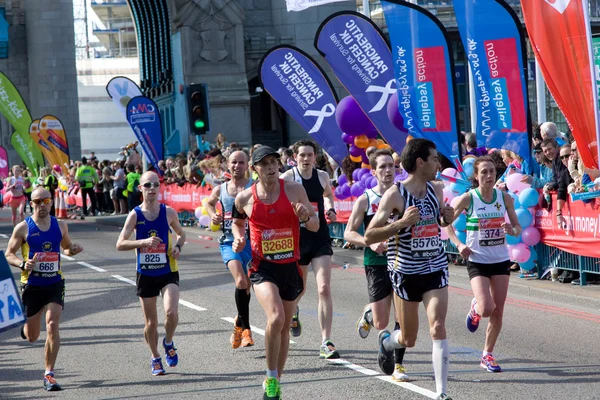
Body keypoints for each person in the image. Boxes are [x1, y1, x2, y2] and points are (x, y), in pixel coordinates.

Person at [364, 138, 454, 400]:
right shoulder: (395, 194)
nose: (439, 163)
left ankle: (441, 392)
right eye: (435, 159)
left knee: (438, 326)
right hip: (405, 272)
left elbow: (437, 221)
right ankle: (386, 342)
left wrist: (446, 218)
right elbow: (370, 236)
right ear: (420, 162)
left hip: (435, 267)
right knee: (408, 339)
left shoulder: (436, 189)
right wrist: (400, 223)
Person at [232, 146, 317, 400]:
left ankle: (275, 380)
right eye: (264, 163)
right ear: (254, 169)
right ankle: (270, 377)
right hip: (262, 267)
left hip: (290, 266)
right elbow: (237, 223)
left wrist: (304, 217)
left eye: (274, 162)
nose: (270, 166)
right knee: (277, 316)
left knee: (282, 329)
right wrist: (238, 239)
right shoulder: (244, 198)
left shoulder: (293, 189)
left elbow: (315, 225)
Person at [445, 156, 521, 373]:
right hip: (477, 260)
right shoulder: (468, 198)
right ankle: (475, 308)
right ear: (476, 176)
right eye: (484, 172)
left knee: (498, 311)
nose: (489, 176)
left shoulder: (504, 197)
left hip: (500, 260)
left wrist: (512, 229)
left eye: (492, 172)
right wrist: (459, 244)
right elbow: (446, 223)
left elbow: (517, 227)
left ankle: (487, 354)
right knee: (487, 308)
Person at [5, 187, 83, 391]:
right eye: (37, 201)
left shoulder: (61, 225)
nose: (42, 205)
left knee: (51, 324)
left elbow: (66, 248)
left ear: (51, 202)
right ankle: (25, 329)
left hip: (54, 282)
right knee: (32, 336)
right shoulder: (23, 228)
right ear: (32, 204)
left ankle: (49, 374)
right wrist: (23, 264)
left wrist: (72, 250)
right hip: (32, 285)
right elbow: (9, 254)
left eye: (46, 200)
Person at [344, 149, 409, 382]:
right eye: (382, 167)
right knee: (382, 322)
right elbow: (349, 232)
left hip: (403, 260)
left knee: (403, 316)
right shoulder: (366, 199)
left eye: (391, 166)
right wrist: (369, 243)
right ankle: (370, 314)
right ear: (373, 172)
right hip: (377, 262)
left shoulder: (404, 195)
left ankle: (399, 365)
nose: (388, 170)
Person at [116, 171, 186, 376]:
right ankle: (155, 357)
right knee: (151, 323)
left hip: (168, 270)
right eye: (147, 185)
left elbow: (181, 234)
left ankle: (168, 341)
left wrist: (178, 248)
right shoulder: (135, 215)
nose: (152, 188)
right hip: (145, 273)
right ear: (140, 189)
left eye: (155, 184)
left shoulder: (168, 212)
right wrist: (143, 242)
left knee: (171, 313)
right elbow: (120, 244)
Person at [280, 140, 339, 359]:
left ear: (315, 157)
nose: (306, 159)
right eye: (302, 155)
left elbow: (328, 195)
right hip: (297, 239)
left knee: (324, 288)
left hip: (320, 237)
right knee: (300, 289)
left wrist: (330, 209)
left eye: (310, 155)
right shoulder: (288, 178)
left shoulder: (322, 176)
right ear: (294, 157)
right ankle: (293, 310)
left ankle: (326, 341)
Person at [206, 150, 255, 349]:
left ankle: (238, 323)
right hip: (229, 242)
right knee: (241, 281)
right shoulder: (222, 189)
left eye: (241, 162)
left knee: (248, 287)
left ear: (247, 165)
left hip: (253, 243)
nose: (237, 166)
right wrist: (213, 215)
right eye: (234, 162)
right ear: (228, 164)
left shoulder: (254, 187)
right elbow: (209, 203)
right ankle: (246, 331)